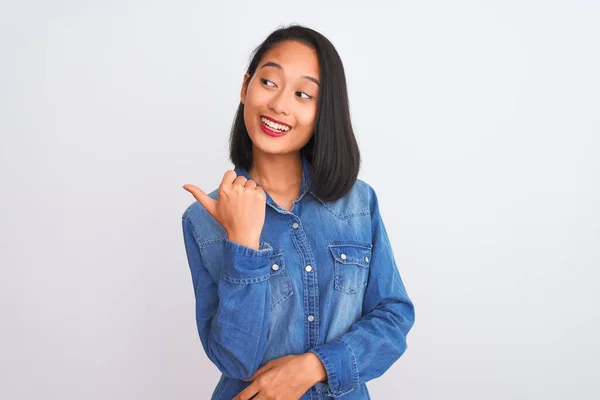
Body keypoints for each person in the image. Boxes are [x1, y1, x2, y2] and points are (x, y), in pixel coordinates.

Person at [181, 24, 415, 400]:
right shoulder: (204, 220)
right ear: (245, 87)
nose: (279, 104)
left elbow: (393, 317)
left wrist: (315, 366)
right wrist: (243, 243)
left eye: (303, 94)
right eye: (269, 82)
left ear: (323, 111)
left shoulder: (358, 203)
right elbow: (235, 361)